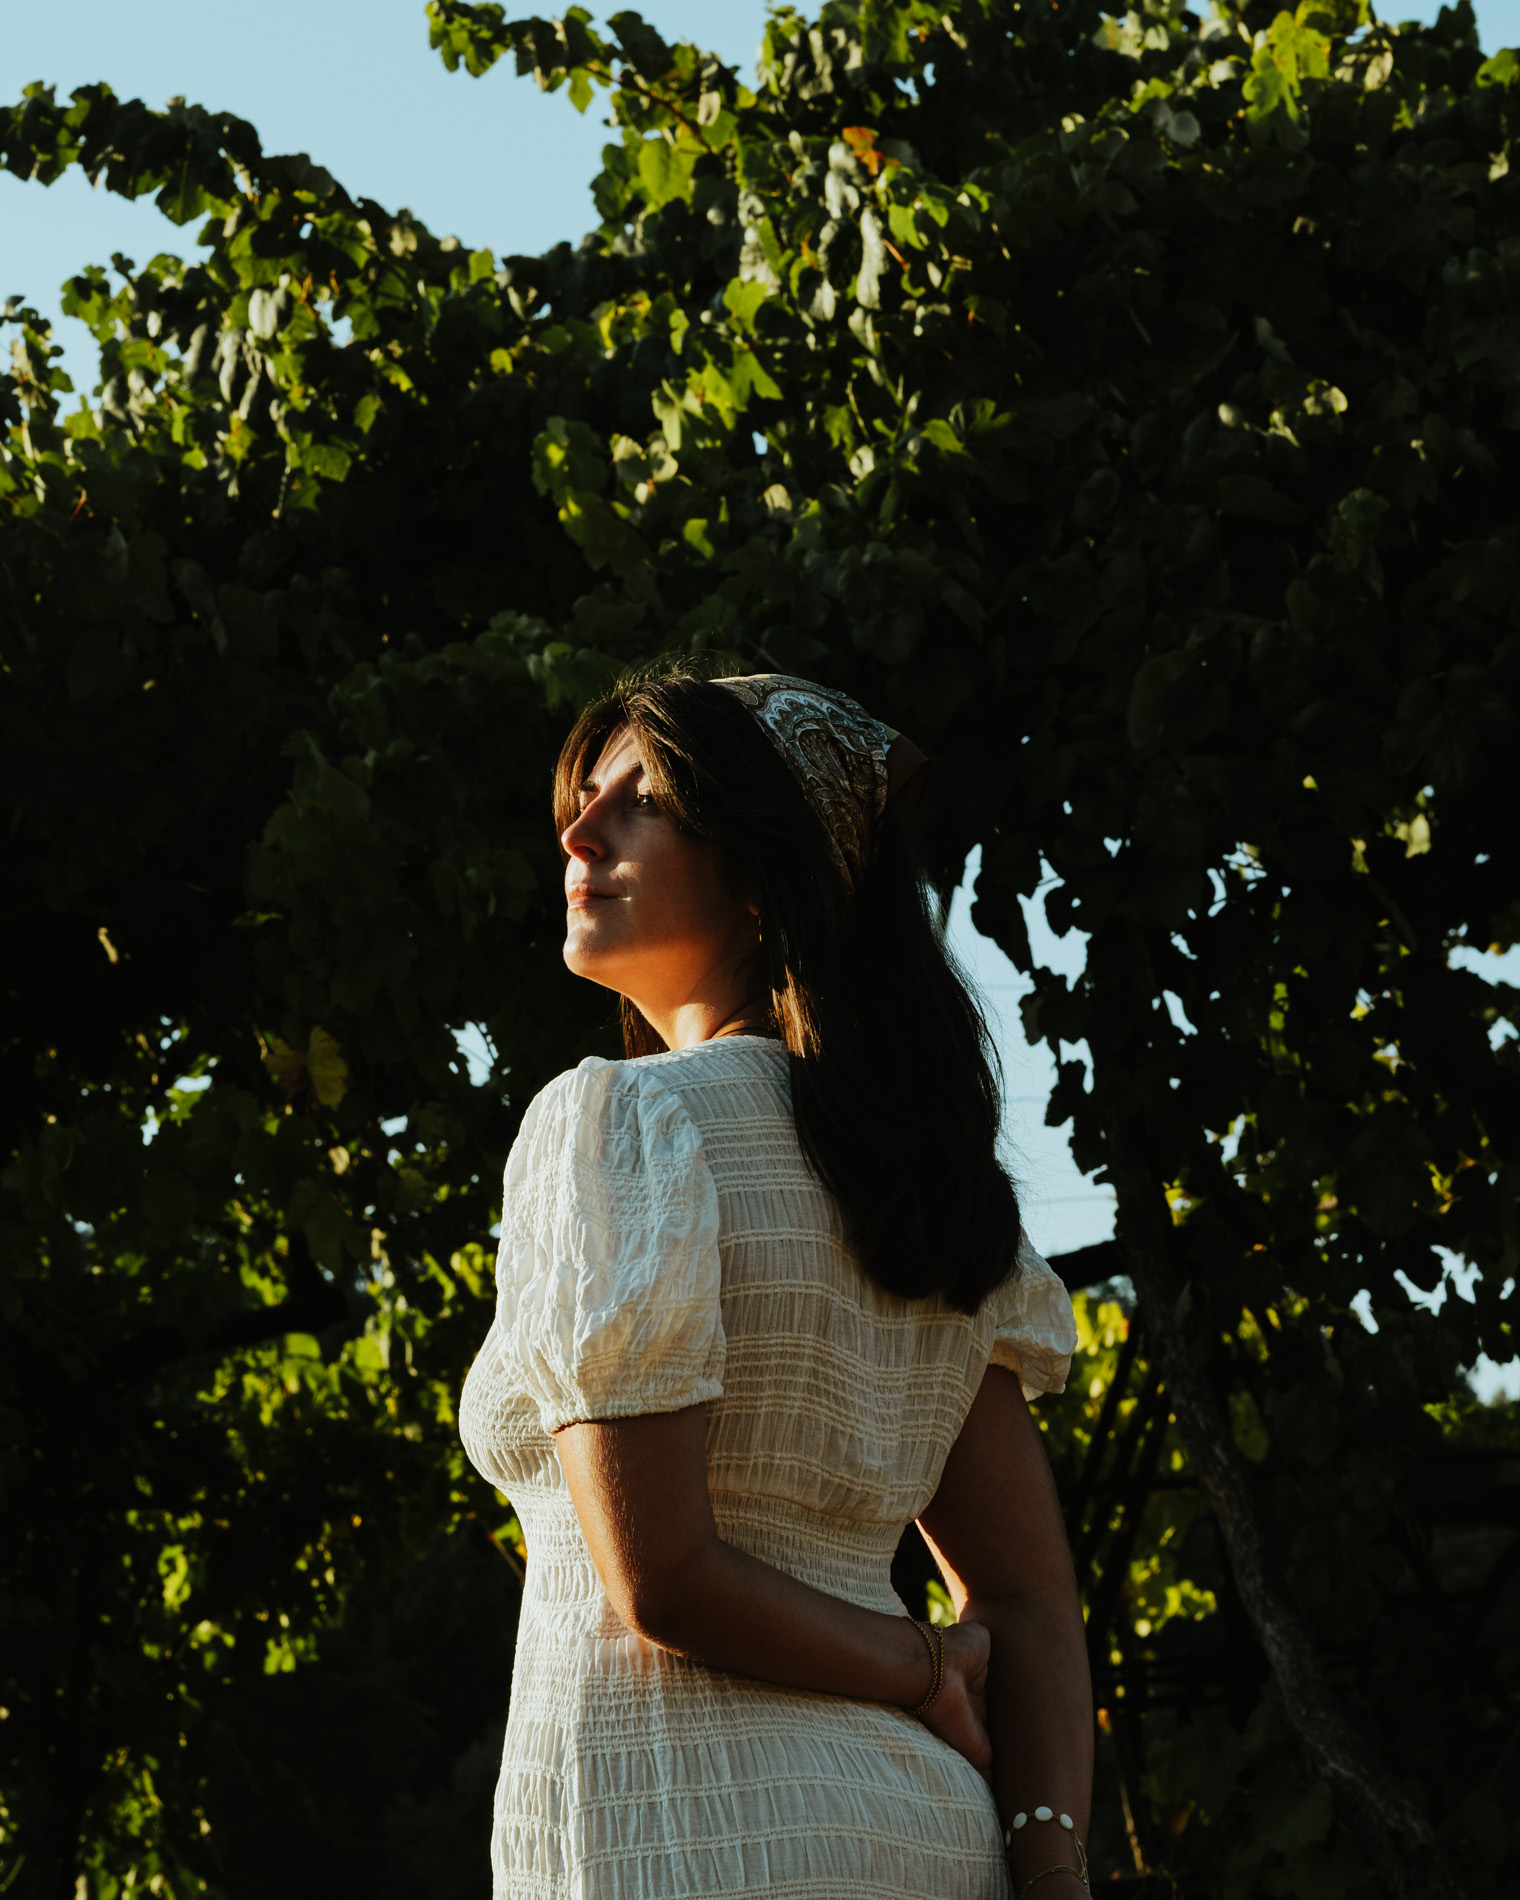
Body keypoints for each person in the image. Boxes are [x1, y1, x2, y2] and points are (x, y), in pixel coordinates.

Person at [459, 670, 1092, 1899]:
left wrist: (921, 1664)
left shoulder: (620, 1124)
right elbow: (1023, 1595)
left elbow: (662, 1578)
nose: (578, 834)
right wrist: (1051, 1864)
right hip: (928, 1842)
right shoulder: (924, 1186)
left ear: (762, 873)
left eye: (641, 803)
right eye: (582, 800)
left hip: (675, 1840)